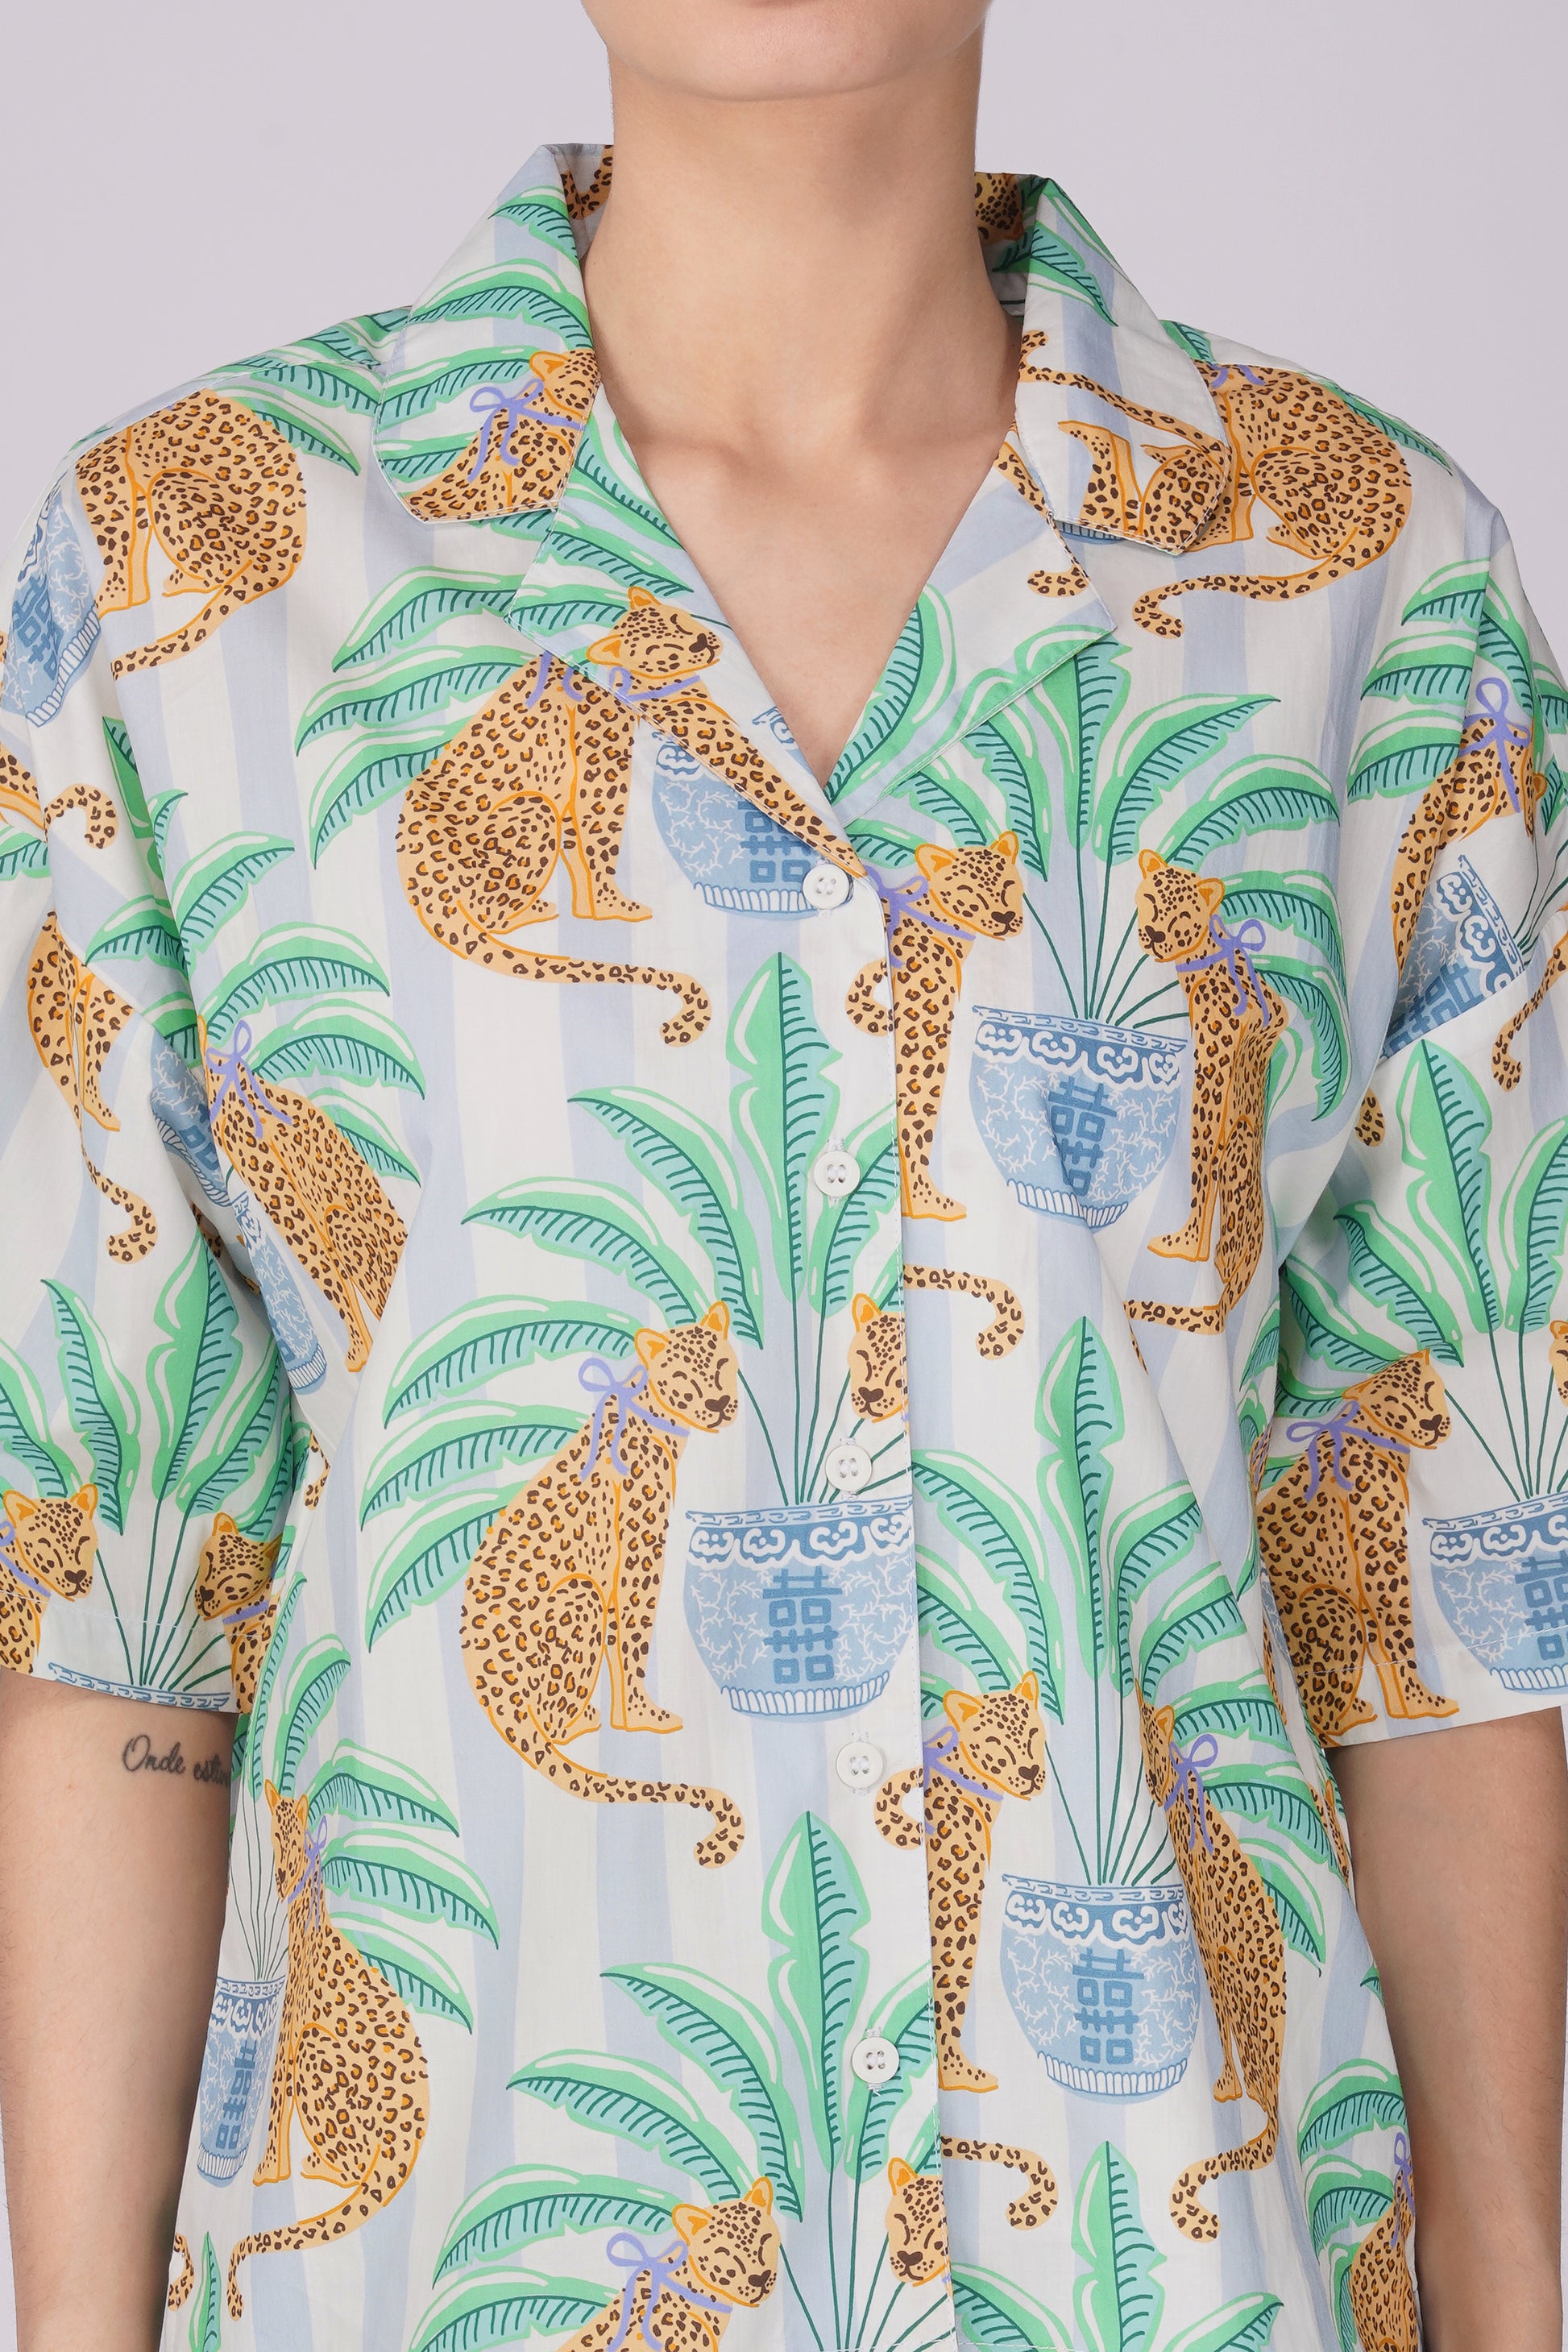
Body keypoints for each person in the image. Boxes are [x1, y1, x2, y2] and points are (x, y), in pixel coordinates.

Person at [0, 3, 1563, 2347]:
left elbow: (1438, 1572)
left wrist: (1515, 2298)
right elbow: (113, 1585)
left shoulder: (1358, 573)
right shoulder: (185, 573)